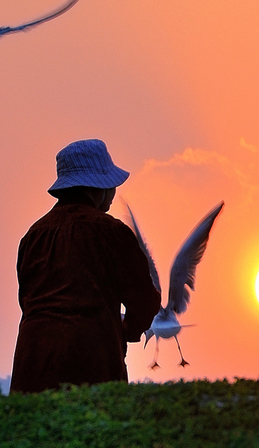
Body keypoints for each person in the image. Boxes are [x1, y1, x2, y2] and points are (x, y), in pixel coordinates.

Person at [10, 139, 161, 394]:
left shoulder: (32, 236)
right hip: (90, 358)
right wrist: (129, 330)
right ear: (96, 188)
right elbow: (144, 299)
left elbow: (27, 301)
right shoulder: (111, 231)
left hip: (32, 360)